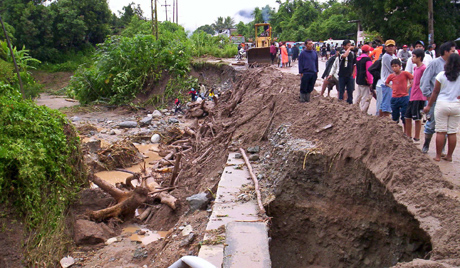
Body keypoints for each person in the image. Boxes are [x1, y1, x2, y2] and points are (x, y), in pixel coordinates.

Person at [420, 41, 457, 153]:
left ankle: (442, 149)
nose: (454, 53)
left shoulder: (454, 66)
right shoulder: (435, 63)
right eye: (452, 51)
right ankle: (426, 145)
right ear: (445, 52)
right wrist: (427, 95)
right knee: (431, 124)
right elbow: (425, 80)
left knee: (446, 127)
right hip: (434, 99)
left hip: (450, 101)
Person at [405, 49, 427, 144]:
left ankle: (417, 138)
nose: (412, 58)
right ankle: (408, 136)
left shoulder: (423, 68)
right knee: (407, 116)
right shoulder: (415, 68)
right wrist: (409, 86)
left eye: (414, 56)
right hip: (412, 95)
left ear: (419, 57)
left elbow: (425, 82)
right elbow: (415, 81)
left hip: (419, 96)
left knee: (417, 117)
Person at [385, 59, 413, 133]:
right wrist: (391, 87)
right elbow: (386, 82)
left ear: (400, 66)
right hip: (395, 97)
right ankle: (396, 133)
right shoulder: (391, 76)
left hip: (404, 97)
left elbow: (413, 78)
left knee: (405, 116)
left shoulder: (405, 73)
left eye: (396, 66)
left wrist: (409, 86)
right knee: (394, 116)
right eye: (393, 67)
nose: (394, 68)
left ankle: (406, 132)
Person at [329, 39, 356, 104]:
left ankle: (350, 102)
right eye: (348, 45)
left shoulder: (352, 54)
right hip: (342, 74)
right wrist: (349, 49)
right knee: (341, 90)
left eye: (350, 45)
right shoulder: (341, 52)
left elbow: (354, 64)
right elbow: (344, 56)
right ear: (344, 46)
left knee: (350, 90)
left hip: (349, 75)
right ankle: (340, 102)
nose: (349, 46)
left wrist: (353, 74)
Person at [379, 40, 398, 117]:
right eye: (388, 46)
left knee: (384, 103)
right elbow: (393, 69)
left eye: (392, 46)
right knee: (386, 105)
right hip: (387, 83)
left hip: (391, 83)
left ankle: (380, 120)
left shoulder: (393, 56)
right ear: (385, 48)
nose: (390, 48)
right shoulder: (386, 56)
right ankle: (385, 122)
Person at [355, 44, 373, 112]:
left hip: (359, 79)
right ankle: (363, 112)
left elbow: (356, 71)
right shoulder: (367, 59)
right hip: (365, 81)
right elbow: (369, 71)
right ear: (368, 51)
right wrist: (370, 82)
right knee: (365, 98)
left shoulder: (358, 58)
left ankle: (354, 109)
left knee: (359, 95)